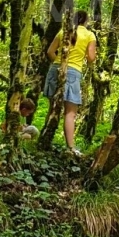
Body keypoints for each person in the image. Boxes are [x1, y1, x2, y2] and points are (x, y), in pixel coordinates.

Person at [42, 10, 97, 156]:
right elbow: (91, 58)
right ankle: (71, 147)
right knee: (70, 112)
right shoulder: (89, 35)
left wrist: (59, 64)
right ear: (86, 21)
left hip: (55, 69)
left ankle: (44, 140)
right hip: (73, 72)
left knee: (52, 108)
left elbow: (50, 52)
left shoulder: (64, 31)